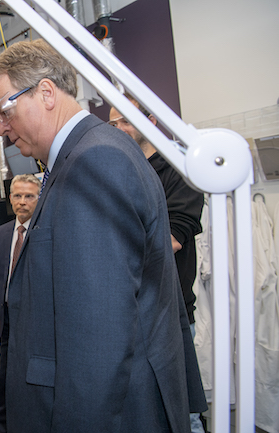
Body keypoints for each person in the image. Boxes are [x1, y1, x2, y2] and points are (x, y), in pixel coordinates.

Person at [0, 39, 206, 432]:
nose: (1, 128)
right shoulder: (82, 155)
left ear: (46, 92)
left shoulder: (93, 161)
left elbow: (98, 338)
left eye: (4, 110)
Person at [109, 95, 205, 433]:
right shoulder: (119, 171)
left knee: (183, 412)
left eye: (125, 121)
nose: (118, 129)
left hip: (170, 313)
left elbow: (172, 239)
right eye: (113, 123)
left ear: (150, 121)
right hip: (128, 315)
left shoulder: (179, 171)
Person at [0, 173, 40, 433]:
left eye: (29, 196)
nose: (22, 202)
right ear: (10, 199)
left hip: (34, 318)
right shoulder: (2, 233)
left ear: (39, 199)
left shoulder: (44, 233)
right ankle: (3, 425)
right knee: (5, 375)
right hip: (7, 317)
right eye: (17, 196)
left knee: (31, 375)